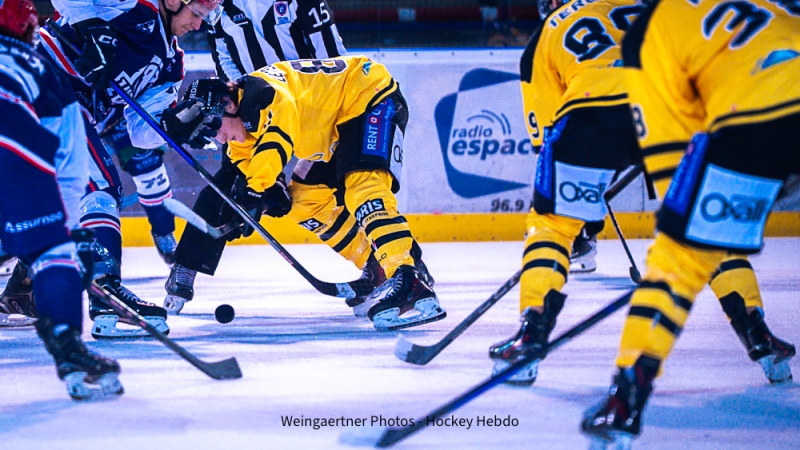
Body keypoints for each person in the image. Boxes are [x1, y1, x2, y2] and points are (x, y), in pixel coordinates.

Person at [490, 0, 794, 388]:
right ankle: (756, 330)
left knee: (551, 225)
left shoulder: (550, 29)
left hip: (591, 114)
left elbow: (546, 130)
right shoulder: (646, 6)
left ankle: (531, 335)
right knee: (701, 231)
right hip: (663, 112)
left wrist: (580, 195)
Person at [581, 0, 798, 446]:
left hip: (753, 121)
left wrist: (683, 231)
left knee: (679, 258)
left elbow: (669, 159)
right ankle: (754, 328)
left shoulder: (652, 29)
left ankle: (626, 399)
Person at [163, 0, 429, 318]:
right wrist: (257, 200)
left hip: (356, 101)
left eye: (215, 130)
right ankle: (379, 268)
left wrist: (257, 186)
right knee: (302, 198)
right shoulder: (220, 18)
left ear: (226, 106)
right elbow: (253, 155)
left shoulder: (270, 88)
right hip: (304, 116)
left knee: (362, 188)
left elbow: (279, 132)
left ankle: (408, 274)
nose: (218, 139)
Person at [21, 0, 223, 337]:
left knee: (49, 209)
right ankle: (108, 297)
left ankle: (18, 292)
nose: (197, 27)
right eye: (197, 15)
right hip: (36, 83)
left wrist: (175, 127)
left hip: (64, 108)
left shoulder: (171, 63)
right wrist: (90, 24)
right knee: (99, 189)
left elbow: (140, 132)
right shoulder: (129, 4)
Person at [0, 0, 122, 399]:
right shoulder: (43, 68)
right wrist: (68, 233)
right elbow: (70, 165)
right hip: (15, 144)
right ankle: (69, 350)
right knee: (53, 252)